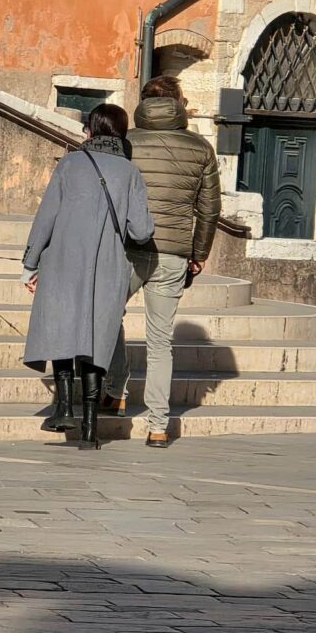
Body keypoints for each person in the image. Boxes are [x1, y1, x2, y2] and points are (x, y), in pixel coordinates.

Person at [21, 104, 154, 450]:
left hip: (63, 260)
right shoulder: (130, 173)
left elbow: (46, 215)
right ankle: (91, 429)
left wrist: (30, 262)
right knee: (97, 338)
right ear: (122, 133)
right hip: (108, 265)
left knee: (63, 328)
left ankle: (64, 407)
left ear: (91, 130)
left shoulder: (69, 164)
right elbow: (141, 232)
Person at [103, 75, 221, 449]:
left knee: (108, 316)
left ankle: (115, 389)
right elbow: (210, 208)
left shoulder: (126, 143)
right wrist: (199, 253)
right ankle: (157, 425)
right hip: (173, 252)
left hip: (125, 246)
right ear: (179, 103)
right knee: (160, 341)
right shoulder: (200, 147)